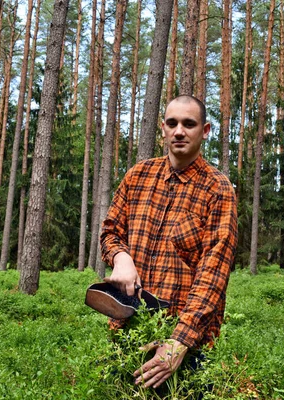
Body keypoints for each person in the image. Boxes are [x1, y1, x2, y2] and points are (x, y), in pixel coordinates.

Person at [100, 95, 238, 390]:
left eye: (189, 124)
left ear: (205, 130)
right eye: (172, 123)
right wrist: (121, 257)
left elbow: (213, 276)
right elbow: (110, 231)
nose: (179, 131)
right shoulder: (138, 176)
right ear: (162, 128)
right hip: (129, 331)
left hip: (184, 347)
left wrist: (179, 341)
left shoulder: (218, 190)